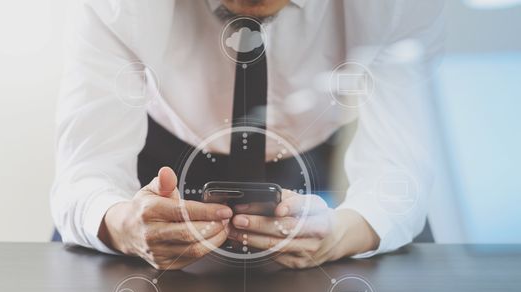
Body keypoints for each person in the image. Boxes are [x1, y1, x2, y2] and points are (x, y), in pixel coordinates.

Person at [51, 0, 443, 269]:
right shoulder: (116, 7)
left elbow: (400, 167)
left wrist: (341, 235)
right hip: (159, 165)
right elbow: (85, 172)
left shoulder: (402, 6)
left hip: (303, 169)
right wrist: (122, 223)